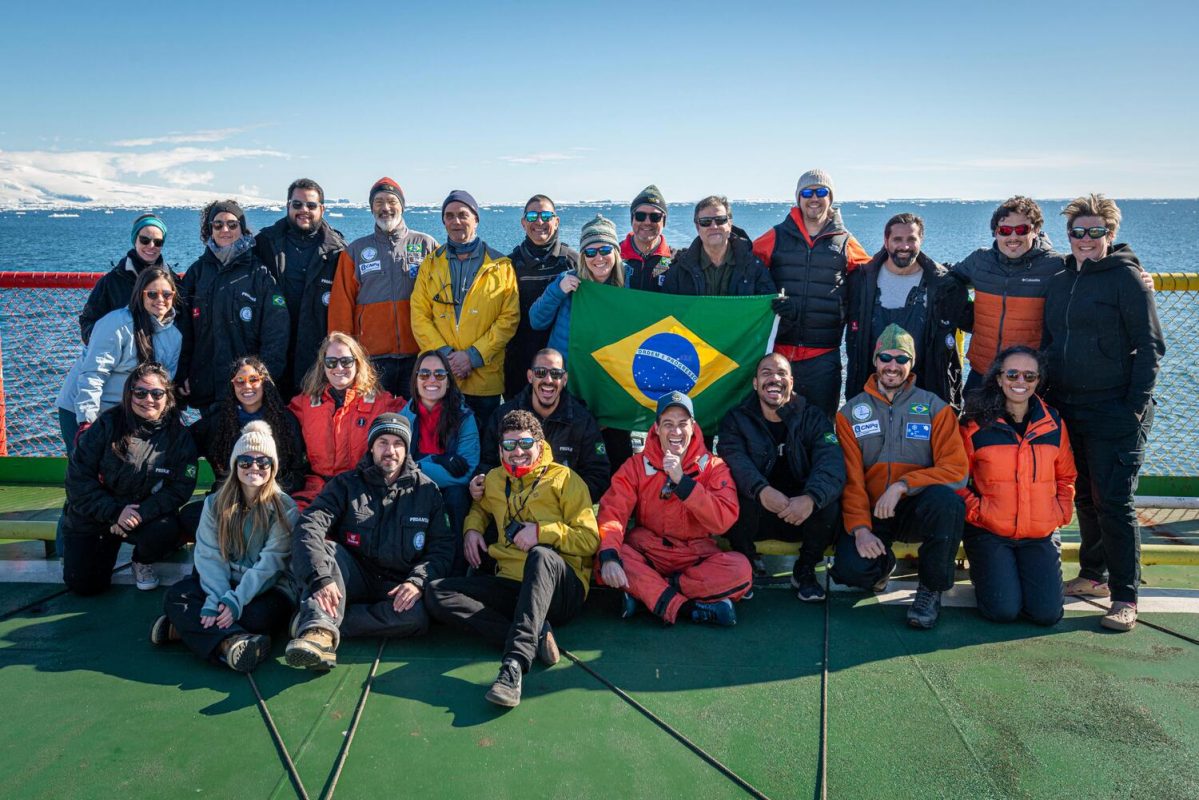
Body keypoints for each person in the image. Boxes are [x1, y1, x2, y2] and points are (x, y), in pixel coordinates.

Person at [1042, 194, 1165, 632]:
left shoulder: (1126, 279)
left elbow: (1151, 346)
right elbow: (1050, 340)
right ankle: (1094, 575)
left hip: (1115, 407)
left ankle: (1126, 597)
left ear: (1110, 235)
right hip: (1068, 405)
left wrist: (1132, 407)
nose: (1086, 240)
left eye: (1096, 232)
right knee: (1085, 497)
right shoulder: (1059, 278)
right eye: (1078, 232)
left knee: (1115, 502)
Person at [426, 410, 599, 708]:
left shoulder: (565, 479)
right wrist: (471, 530)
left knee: (540, 556)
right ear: (499, 449)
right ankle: (535, 635)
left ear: (540, 444)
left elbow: (589, 539)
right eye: (509, 446)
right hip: (513, 585)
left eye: (525, 444)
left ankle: (514, 665)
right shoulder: (493, 479)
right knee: (436, 592)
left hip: (560, 587)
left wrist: (542, 532)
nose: (517, 452)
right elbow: (481, 508)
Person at [286, 414, 454, 670]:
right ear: (371, 446)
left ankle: (317, 619)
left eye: (398, 443)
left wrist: (417, 581)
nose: (390, 450)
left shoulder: (427, 491)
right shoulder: (346, 484)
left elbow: (441, 548)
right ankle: (318, 634)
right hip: (352, 576)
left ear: (407, 448)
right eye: (383, 442)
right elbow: (309, 525)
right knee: (329, 551)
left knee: (417, 618)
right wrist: (321, 578)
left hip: (395, 584)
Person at [829, 324, 967, 629]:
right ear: (876, 361)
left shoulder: (935, 408)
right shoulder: (850, 413)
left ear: (911, 363)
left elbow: (957, 470)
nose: (893, 366)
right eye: (886, 358)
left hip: (917, 507)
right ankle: (884, 566)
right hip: (875, 511)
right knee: (851, 572)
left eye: (901, 359)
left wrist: (904, 485)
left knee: (948, 503)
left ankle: (930, 590)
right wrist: (861, 529)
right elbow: (851, 480)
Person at [151, 421, 299, 672]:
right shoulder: (214, 504)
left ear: (272, 467)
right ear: (235, 465)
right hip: (224, 581)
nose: (254, 467)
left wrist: (234, 601)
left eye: (263, 462)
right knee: (176, 596)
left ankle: (183, 630)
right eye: (245, 461)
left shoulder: (285, 508)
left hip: (266, 586)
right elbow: (210, 556)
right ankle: (233, 643)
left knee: (258, 615)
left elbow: (270, 565)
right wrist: (217, 596)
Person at [596, 392, 750, 626]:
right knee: (608, 558)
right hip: (650, 552)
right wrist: (609, 556)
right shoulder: (636, 465)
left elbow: (723, 520)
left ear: (693, 426)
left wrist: (683, 482)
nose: (676, 432)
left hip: (696, 558)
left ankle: (648, 594)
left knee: (741, 570)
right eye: (668, 424)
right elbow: (613, 513)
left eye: (682, 424)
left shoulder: (713, 466)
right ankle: (689, 608)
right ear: (656, 428)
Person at [958, 347, 1075, 626]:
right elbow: (956, 480)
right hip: (991, 532)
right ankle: (991, 574)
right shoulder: (975, 426)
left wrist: (1059, 513)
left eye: (1029, 375)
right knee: (1003, 611)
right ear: (999, 378)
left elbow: (1066, 477)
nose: (1020, 381)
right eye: (1012, 374)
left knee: (1047, 615)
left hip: (1039, 534)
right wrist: (980, 512)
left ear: (1038, 381)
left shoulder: (1053, 423)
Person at [718, 354, 846, 601]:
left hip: (801, 515)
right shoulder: (736, 419)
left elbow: (832, 464)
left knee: (828, 501)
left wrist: (810, 498)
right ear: (755, 383)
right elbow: (733, 461)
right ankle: (746, 564)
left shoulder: (814, 418)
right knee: (729, 493)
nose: (774, 379)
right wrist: (761, 490)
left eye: (781, 374)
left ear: (791, 382)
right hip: (757, 513)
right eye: (766, 373)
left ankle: (805, 569)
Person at [61, 364, 198, 595]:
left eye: (157, 393)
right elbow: (78, 480)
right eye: (140, 393)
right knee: (84, 586)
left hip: (140, 515)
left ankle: (142, 560)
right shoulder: (106, 425)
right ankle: (104, 544)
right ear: (129, 393)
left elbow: (180, 488)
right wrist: (114, 513)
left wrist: (139, 514)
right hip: (99, 514)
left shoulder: (179, 437)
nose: (148, 400)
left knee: (166, 529)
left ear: (167, 396)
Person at [753, 169, 871, 416]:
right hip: (780, 353)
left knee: (821, 426)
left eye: (821, 192)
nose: (814, 197)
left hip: (824, 355)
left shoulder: (844, 241)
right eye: (807, 192)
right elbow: (745, 264)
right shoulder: (777, 235)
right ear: (798, 198)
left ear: (831, 198)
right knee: (777, 424)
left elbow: (873, 271)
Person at [530, 215, 633, 472]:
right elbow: (536, 320)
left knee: (617, 451)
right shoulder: (569, 280)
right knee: (569, 452)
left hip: (611, 382)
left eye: (605, 249)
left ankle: (618, 509)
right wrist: (558, 290)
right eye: (590, 251)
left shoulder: (629, 281)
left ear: (616, 251)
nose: (598, 257)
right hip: (571, 382)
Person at [410, 190, 519, 424]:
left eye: (463, 215)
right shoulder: (430, 264)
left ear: (476, 219)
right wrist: (445, 356)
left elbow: (509, 319)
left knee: (483, 448)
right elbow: (419, 316)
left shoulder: (500, 266)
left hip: (484, 380)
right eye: (449, 216)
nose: (456, 221)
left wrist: (473, 356)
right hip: (439, 378)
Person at [845, 213, 969, 409]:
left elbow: (981, 322)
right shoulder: (860, 282)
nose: (904, 246)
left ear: (921, 240)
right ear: (886, 241)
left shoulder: (944, 286)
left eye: (911, 239)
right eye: (897, 239)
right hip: (870, 393)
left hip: (928, 393)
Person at [328, 177, 437, 396]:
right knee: (373, 422)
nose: (385, 208)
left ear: (402, 206)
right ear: (371, 208)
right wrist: (342, 355)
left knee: (416, 418)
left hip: (418, 355)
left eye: (391, 201)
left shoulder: (427, 245)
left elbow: (442, 300)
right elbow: (341, 306)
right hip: (372, 357)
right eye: (378, 202)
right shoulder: (355, 251)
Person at [177, 200, 289, 412]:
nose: (225, 230)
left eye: (232, 224)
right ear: (209, 230)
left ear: (242, 227)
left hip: (247, 390)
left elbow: (276, 332)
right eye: (217, 225)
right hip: (207, 386)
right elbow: (183, 329)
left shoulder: (260, 275)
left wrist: (265, 379)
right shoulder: (197, 273)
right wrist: (182, 372)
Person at [57, 266, 183, 454]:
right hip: (82, 409)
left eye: (166, 294)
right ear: (140, 295)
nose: (160, 300)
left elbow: (165, 384)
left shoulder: (174, 336)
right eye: (152, 294)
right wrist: (87, 422)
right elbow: (93, 374)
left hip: (126, 414)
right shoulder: (117, 324)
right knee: (86, 475)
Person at [185, 357, 308, 531]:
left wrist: (268, 495)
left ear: (264, 382)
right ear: (232, 385)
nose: (247, 386)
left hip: (271, 500)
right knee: (188, 516)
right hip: (230, 501)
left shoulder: (285, 420)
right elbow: (183, 447)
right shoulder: (217, 422)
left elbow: (298, 471)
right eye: (239, 381)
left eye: (253, 380)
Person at [253, 178, 348, 397]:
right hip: (272, 355)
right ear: (288, 206)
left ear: (322, 209)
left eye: (311, 205)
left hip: (317, 359)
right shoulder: (265, 244)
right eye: (297, 205)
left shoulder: (338, 252)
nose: (304, 210)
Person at [476, 348, 609, 502]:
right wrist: (480, 482)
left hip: (561, 510)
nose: (549, 380)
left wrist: (559, 499)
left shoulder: (583, 421)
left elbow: (598, 476)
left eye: (556, 374)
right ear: (530, 376)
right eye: (540, 373)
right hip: (512, 505)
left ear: (564, 379)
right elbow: (487, 463)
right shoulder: (503, 416)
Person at [288, 332, 403, 508]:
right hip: (317, 490)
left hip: (362, 490)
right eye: (331, 362)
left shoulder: (382, 403)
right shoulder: (305, 404)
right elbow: (274, 419)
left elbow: (416, 413)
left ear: (357, 363)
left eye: (346, 361)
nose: (339, 368)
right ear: (323, 366)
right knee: (299, 526)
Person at [398, 350, 479, 558]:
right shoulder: (403, 419)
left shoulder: (464, 417)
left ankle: (457, 568)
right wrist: (434, 461)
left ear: (448, 381)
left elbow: (465, 472)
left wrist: (417, 466)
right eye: (424, 374)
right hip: (411, 489)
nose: (431, 380)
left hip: (450, 495)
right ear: (415, 380)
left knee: (457, 495)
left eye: (439, 375)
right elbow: (397, 469)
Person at [504, 194, 578, 399]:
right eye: (532, 215)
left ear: (556, 221)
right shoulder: (509, 264)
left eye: (546, 215)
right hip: (519, 363)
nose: (539, 221)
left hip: (562, 366)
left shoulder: (573, 262)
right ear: (523, 222)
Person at [78, 213, 170, 344]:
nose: (151, 246)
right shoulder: (112, 281)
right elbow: (88, 321)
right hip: (122, 360)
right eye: (145, 240)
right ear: (135, 240)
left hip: (164, 358)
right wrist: (107, 344)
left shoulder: (172, 280)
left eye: (158, 242)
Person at [661, 196, 774, 297]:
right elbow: (667, 310)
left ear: (729, 224)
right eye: (706, 221)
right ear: (697, 227)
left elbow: (768, 306)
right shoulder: (680, 269)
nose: (714, 226)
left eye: (720, 220)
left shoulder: (753, 267)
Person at [621, 184, 675, 292]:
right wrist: (576, 277)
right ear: (632, 219)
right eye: (640, 216)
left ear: (663, 221)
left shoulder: (673, 260)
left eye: (655, 217)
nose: (647, 222)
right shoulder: (613, 256)